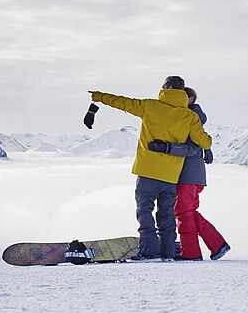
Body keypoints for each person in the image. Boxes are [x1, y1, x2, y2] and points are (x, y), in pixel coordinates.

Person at [89, 77, 212, 260]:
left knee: (145, 211)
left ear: (168, 87)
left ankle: (149, 252)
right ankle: (168, 253)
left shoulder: (150, 106)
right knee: (167, 216)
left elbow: (123, 102)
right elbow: (205, 141)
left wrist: (98, 97)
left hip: (147, 172)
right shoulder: (190, 116)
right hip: (171, 176)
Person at [149, 87, 231, 260]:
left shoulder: (189, 118)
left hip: (189, 174)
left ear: (191, 99)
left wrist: (167, 147)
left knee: (183, 212)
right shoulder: (189, 117)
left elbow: (191, 149)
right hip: (190, 175)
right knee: (188, 212)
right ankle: (211, 246)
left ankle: (196, 252)